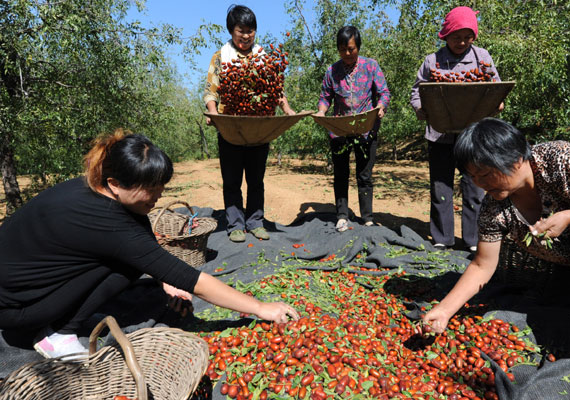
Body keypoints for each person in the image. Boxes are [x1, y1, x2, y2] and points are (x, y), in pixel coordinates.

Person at [0, 130, 299, 359]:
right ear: (116, 184)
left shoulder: (95, 185)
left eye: (161, 187)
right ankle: (58, 334)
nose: (157, 196)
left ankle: (65, 317)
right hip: (16, 309)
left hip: (23, 287)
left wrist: (163, 280)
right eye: (150, 189)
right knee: (126, 264)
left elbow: (147, 247)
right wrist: (261, 307)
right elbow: (191, 279)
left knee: (130, 262)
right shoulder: (107, 222)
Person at [423, 118, 570, 333]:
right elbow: (482, 265)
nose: (479, 184)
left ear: (516, 159)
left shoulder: (563, 162)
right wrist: (444, 310)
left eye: (484, 174)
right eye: (472, 176)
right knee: (555, 314)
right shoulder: (494, 208)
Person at [410, 6, 503, 252]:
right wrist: (420, 108)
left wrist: (497, 101)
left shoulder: (482, 58)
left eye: (467, 37)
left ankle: (473, 240)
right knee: (441, 186)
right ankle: (442, 237)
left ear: (474, 36)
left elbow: (495, 85)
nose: (461, 42)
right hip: (440, 134)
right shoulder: (433, 61)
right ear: (446, 35)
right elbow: (417, 91)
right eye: (456, 37)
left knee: (475, 185)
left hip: (474, 136)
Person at [203, 4, 295, 243]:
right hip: (231, 127)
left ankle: (255, 221)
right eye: (241, 30)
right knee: (231, 180)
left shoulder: (263, 58)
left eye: (250, 30)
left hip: (258, 128)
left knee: (256, 179)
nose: (246, 35)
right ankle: (235, 224)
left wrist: (286, 109)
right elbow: (211, 92)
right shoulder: (221, 57)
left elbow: (276, 90)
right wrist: (214, 114)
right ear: (231, 31)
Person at [315, 26, 390, 232]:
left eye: (351, 49)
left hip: (366, 129)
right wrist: (321, 112)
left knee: (364, 175)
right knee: (340, 173)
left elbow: (383, 92)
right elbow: (325, 97)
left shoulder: (371, 66)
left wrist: (380, 106)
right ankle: (341, 215)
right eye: (342, 49)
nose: (347, 54)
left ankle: (367, 217)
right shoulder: (332, 71)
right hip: (339, 129)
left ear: (358, 47)